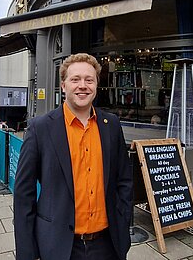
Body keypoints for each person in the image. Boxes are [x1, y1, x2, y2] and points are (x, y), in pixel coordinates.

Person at [14, 53, 133, 260]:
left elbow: (124, 180)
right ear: (63, 85)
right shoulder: (40, 128)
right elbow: (24, 195)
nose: (82, 85)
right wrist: (27, 253)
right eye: (75, 79)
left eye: (89, 80)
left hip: (108, 245)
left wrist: (123, 223)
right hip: (58, 247)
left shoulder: (111, 125)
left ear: (96, 85)